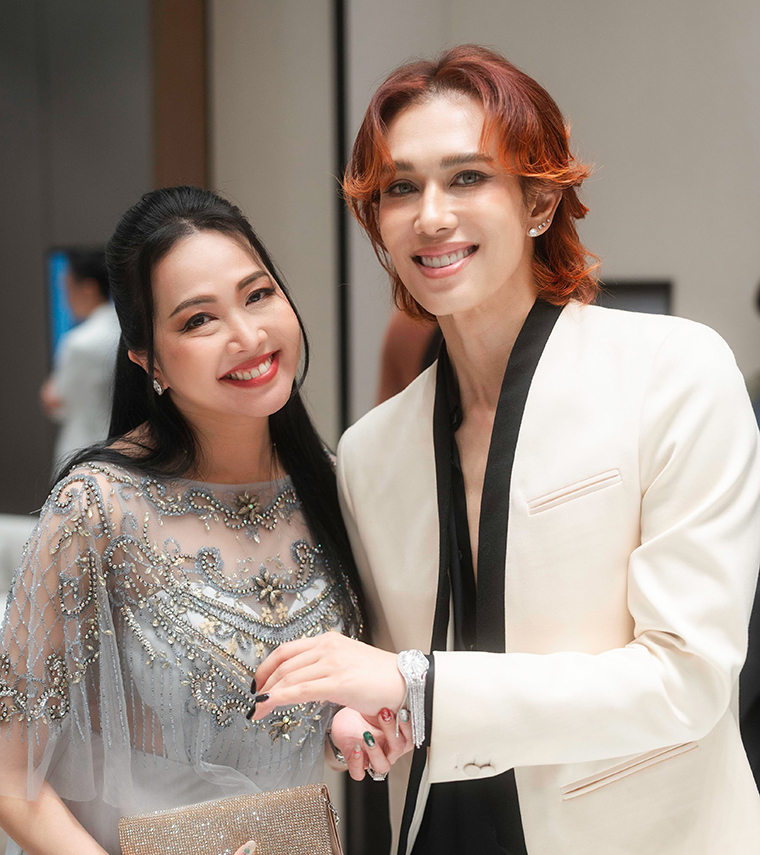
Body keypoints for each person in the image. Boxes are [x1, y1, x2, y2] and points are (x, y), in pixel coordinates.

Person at [251, 46, 760, 854]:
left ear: (539, 201)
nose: (431, 216)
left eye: (467, 177)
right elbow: (391, 675)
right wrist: (365, 717)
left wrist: (417, 685)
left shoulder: (674, 372)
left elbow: (686, 681)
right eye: (400, 188)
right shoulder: (371, 451)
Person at [0, 187, 406, 855]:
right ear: (148, 359)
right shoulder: (97, 509)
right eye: (198, 320)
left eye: (258, 295)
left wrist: (347, 728)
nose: (248, 336)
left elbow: (310, 710)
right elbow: (11, 771)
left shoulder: (336, 485)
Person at [39, 249, 120, 468]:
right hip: (120, 444)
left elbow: (56, 402)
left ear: (89, 288)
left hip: (81, 449)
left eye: (68, 289)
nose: (66, 299)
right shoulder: (126, 333)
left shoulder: (78, 343)